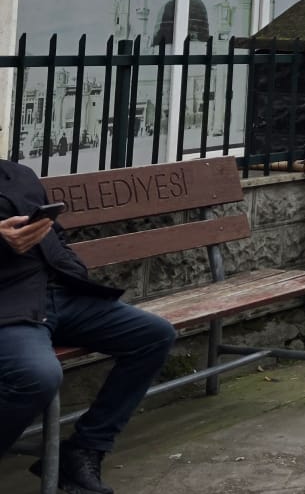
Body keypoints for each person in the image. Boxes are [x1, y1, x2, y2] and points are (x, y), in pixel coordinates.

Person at [0, 163, 177, 493]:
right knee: (39, 375)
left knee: (154, 335)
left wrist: (70, 263)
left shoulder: (19, 174)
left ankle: (84, 448)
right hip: (10, 306)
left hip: (60, 294)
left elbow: (55, 233)